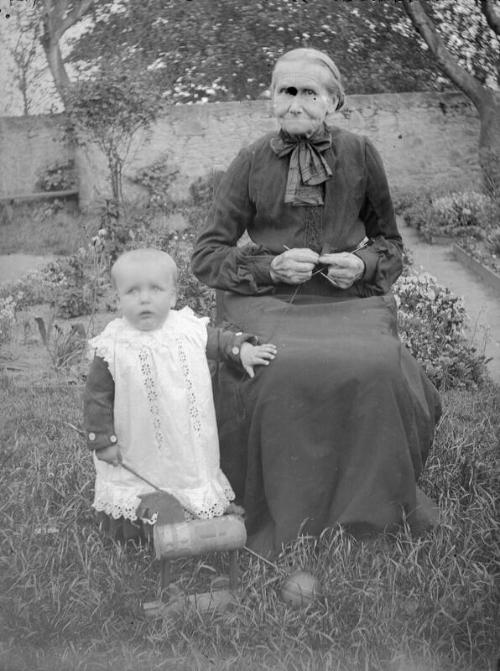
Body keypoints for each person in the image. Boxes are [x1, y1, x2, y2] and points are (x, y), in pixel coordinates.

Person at [192, 48, 442, 556]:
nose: (298, 103)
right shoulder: (250, 160)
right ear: (271, 100)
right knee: (280, 369)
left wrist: (364, 266)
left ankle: (371, 514)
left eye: (311, 92)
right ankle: (288, 512)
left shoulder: (361, 154)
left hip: (346, 304)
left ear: (333, 102)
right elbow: (207, 255)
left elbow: (390, 243)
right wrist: (269, 267)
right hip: (266, 302)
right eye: (288, 91)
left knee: (379, 368)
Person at [83, 248, 277, 540]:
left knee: (188, 473)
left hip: (187, 437)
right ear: (118, 299)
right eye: (132, 292)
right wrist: (102, 440)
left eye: (155, 289)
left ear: (173, 296)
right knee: (141, 478)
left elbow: (218, 341)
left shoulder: (187, 328)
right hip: (138, 440)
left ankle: (196, 518)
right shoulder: (113, 343)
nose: (144, 298)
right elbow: (96, 396)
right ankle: (140, 529)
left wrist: (242, 350)